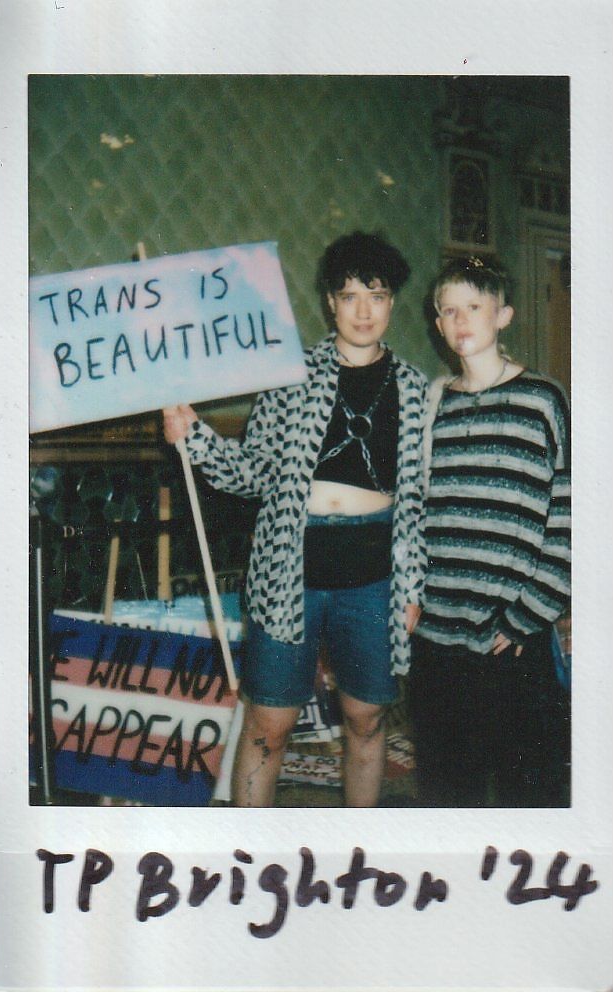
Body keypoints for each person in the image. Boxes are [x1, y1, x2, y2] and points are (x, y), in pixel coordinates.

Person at [163, 231, 427, 807]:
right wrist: (196, 440)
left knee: (367, 719)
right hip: (289, 571)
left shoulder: (413, 389)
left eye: (376, 296)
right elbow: (252, 473)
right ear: (329, 302)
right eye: (350, 296)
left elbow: (417, 504)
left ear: (392, 304)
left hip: (373, 577)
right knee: (269, 725)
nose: (363, 311)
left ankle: (359, 854)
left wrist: (412, 587)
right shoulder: (289, 376)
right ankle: (248, 861)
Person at [410, 255, 571, 807]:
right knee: (450, 794)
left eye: (473, 307)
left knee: (530, 794)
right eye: (448, 310)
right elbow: (413, 518)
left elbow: (570, 518)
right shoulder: (432, 408)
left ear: (503, 315)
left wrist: (531, 613)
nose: (461, 321)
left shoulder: (543, 401)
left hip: (512, 637)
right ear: (437, 324)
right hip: (436, 640)